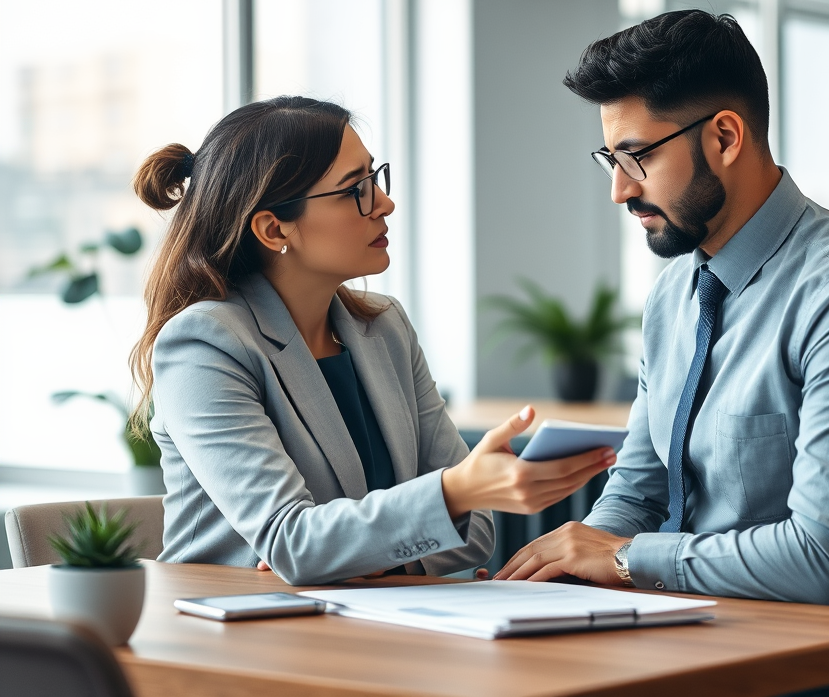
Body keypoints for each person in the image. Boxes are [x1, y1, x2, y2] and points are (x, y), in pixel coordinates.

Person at [497, 11, 829, 636]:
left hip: (811, 668)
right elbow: (639, 491)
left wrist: (622, 559)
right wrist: (558, 572)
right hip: (675, 641)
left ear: (725, 137)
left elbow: (824, 561)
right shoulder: (674, 293)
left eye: (637, 157)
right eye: (610, 159)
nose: (619, 191)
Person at [130, 96, 616, 585]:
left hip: (360, 622)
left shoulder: (386, 328)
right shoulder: (204, 345)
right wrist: (446, 498)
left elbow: (475, 532)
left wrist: (348, 551)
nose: (384, 203)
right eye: (354, 190)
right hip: (233, 631)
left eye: (374, 178)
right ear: (274, 227)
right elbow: (294, 543)